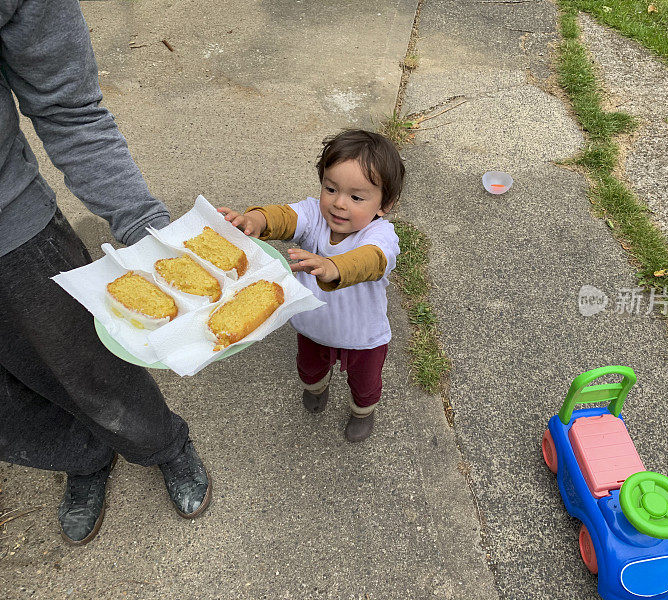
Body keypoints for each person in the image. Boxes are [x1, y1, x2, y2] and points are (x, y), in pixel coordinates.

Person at [0, 0, 211, 545]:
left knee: (93, 368)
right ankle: (82, 456)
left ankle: (162, 444)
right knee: (11, 407)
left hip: (12, 230)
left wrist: (145, 226)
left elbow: (68, 109)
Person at [218, 129, 404, 442]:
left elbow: (371, 261)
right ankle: (316, 389)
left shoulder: (381, 236)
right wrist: (254, 222)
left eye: (356, 197)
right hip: (312, 327)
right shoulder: (314, 215)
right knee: (308, 369)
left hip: (364, 337)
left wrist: (334, 267)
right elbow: (284, 216)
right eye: (330, 188)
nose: (339, 204)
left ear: (384, 204)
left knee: (366, 384)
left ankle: (363, 411)